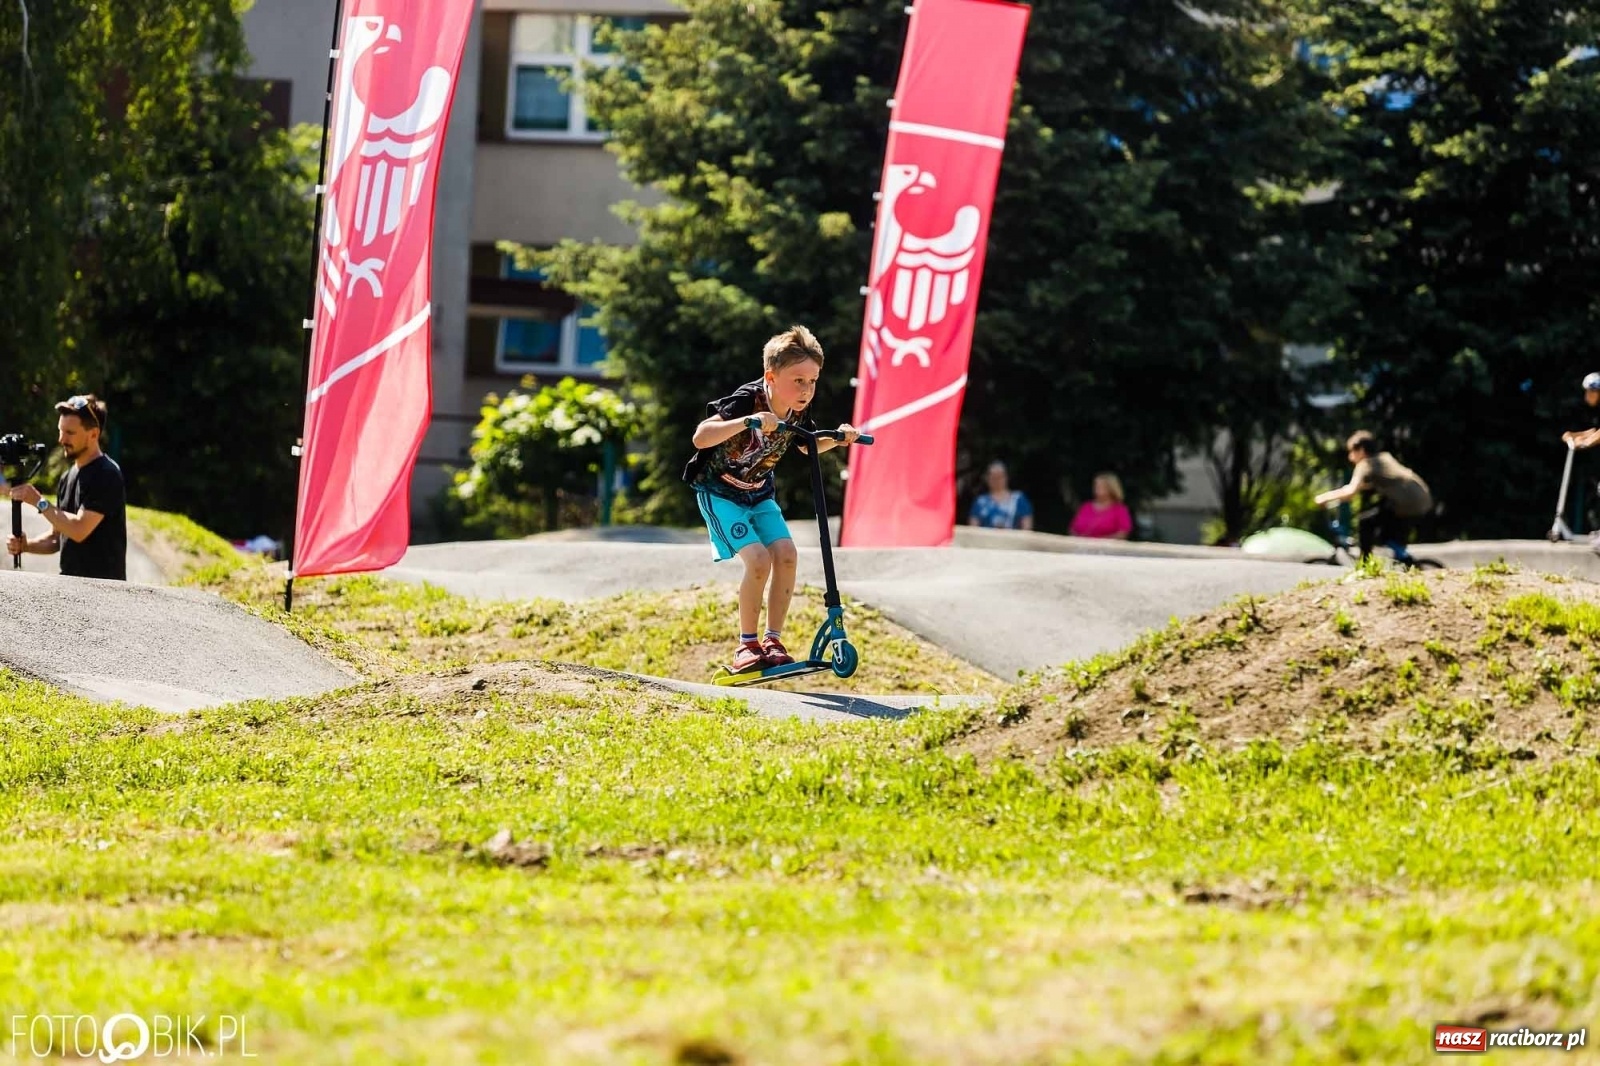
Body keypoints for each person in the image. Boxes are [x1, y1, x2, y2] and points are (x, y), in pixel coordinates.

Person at [683, 326, 859, 673]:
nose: (806, 390)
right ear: (771, 377)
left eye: (812, 381)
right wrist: (747, 421)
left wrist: (837, 439)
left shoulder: (797, 409)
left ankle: (772, 640)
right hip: (720, 492)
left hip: (759, 493)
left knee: (787, 556)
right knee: (759, 560)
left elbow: (806, 445)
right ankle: (746, 645)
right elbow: (701, 438)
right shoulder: (749, 399)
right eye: (798, 380)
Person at [4, 393, 127, 581]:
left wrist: (38, 501)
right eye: (60, 431)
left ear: (93, 434)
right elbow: (57, 538)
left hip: (105, 594)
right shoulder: (67, 478)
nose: (61, 439)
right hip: (70, 590)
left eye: (70, 433)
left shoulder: (106, 474)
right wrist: (27, 546)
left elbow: (78, 530)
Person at [1314, 430, 1432, 562]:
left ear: (1362, 450)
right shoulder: (1383, 458)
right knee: (1383, 529)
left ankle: (1365, 564)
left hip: (1407, 503)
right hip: (1420, 498)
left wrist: (1324, 497)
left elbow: (1350, 492)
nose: (1350, 457)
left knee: (1365, 522)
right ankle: (1400, 555)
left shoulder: (1365, 464)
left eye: (1352, 452)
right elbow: (1388, 481)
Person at [1560, 372, 1600, 543]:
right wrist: (1573, 436)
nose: (1587, 396)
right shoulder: (1594, 412)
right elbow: (1594, 430)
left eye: (1591, 392)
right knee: (1594, 497)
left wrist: (1587, 442)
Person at [968, 461, 1034, 530]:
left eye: (999, 477)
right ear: (987, 478)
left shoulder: (1019, 499)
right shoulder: (980, 502)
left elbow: (1027, 528)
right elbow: (973, 528)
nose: (996, 480)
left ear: (1006, 477)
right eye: (993, 477)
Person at [1069, 472, 1133, 540]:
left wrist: (1099, 541)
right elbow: (1073, 528)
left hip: (1106, 548)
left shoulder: (1120, 509)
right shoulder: (1086, 506)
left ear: (1111, 488)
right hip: (1080, 547)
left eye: (1101, 486)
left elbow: (1123, 533)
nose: (1096, 488)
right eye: (1096, 485)